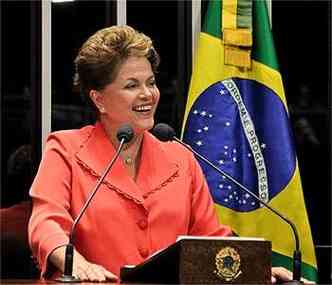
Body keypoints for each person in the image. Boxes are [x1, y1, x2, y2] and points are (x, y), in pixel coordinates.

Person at [28, 25, 300, 283]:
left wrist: (256, 269)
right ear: (99, 99)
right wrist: (73, 262)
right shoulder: (65, 149)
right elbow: (46, 222)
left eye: (151, 82)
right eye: (132, 85)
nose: (148, 94)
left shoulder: (182, 158)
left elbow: (210, 241)